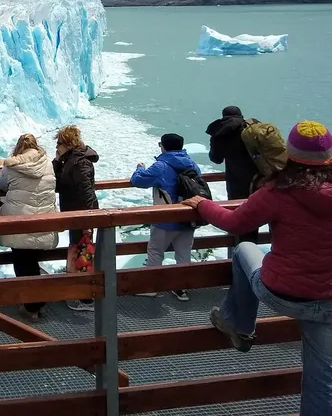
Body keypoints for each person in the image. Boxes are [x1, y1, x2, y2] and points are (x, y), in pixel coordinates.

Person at [184, 121, 332, 416]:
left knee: (244, 249)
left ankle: (239, 324)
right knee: (323, 380)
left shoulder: (278, 190)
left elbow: (235, 223)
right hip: (329, 300)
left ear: (289, 152)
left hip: (285, 293)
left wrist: (202, 204)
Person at [0, 134, 58, 321]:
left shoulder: (12, 165)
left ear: (19, 148)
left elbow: (2, 184)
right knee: (33, 261)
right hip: (43, 219)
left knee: (22, 262)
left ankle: (31, 306)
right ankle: (38, 302)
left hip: (19, 220)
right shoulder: (48, 163)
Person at [129, 133, 203, 302]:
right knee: (183, 254)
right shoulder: (192, 164)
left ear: (163, 146)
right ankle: (181, 289)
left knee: (155, 252)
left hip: (166, 218)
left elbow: (138, 181)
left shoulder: (161, 165)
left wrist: (140, 167)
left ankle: (150, 288)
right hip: (188, 216)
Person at [53, 125, 99, 313]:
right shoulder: (70, 160)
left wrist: (87, 222)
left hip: (82, 216)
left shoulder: (80, 162)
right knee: (79, 252)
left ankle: (86, 299)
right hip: (75, 214)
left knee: (83, 254)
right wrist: (57, 161)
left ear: (67, 143)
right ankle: (81, 294)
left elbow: (86, 192)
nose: (57, 146)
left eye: (59, 143)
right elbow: (57, 183)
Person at [206, 105, 259, 244]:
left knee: (240, 217)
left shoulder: (222, 132)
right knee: (258, 212)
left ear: (223, 117)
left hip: (237, 181)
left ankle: (238, 255)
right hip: (262, 178)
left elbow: (216, 159)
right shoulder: (254, 126)